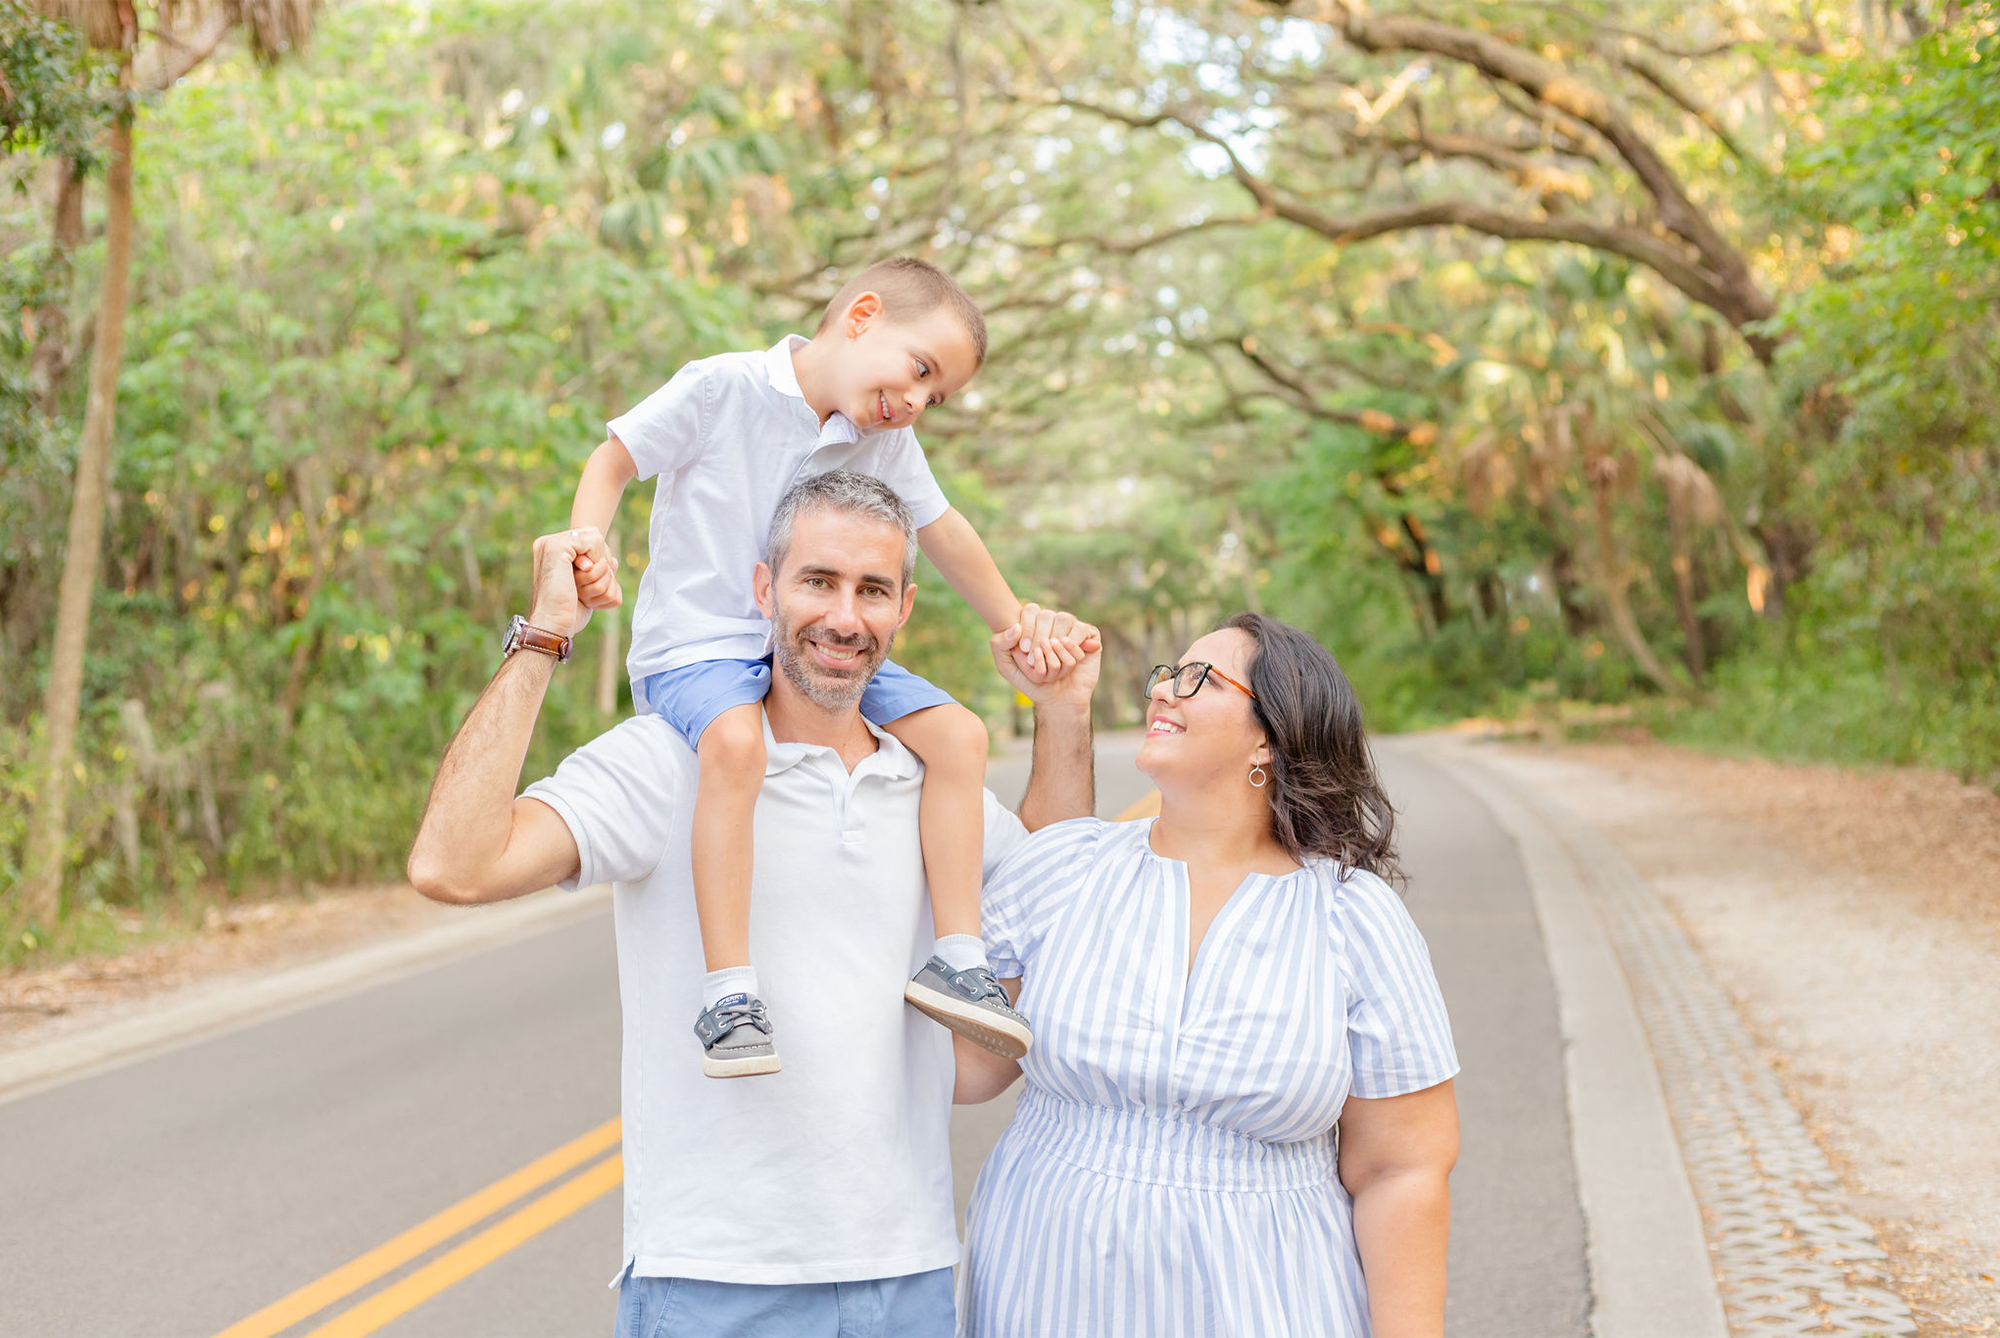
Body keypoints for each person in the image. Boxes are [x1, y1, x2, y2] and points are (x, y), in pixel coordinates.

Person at [407, 471, 1100, 1337]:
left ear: (905, 608)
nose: (845, 618)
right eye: (818, 581)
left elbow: (1049, 894)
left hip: (908, 1275)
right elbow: (452, 865)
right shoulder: (671, 763)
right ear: (765, 588)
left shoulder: (929, 781)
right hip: (718, 1284)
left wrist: (1065, 712)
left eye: (872, 590)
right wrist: (545, 635)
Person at [565, 256, 1089, 1077]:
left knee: (958, 734)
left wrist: (1018, 624)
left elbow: (945, 533)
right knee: (736, 746)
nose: (918, 402)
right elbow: (614, 460)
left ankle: (958, 955)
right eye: (920, 369)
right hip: (698, 648)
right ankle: (730, 991)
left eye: (937, 395)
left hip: (807, 649)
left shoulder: (883, 438)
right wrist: (588, 544)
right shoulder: (723, 388)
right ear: (862, 314)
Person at [952, 613, 1461, 1338]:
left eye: (1200, 679)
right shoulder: (1068, 868)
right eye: (1167, 673)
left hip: (1266, 1295)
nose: (1166, 691)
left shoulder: (1352, 916)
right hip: (1045, 1280)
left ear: (1270, 735)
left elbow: (1400, 1172)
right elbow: (968, 1070)